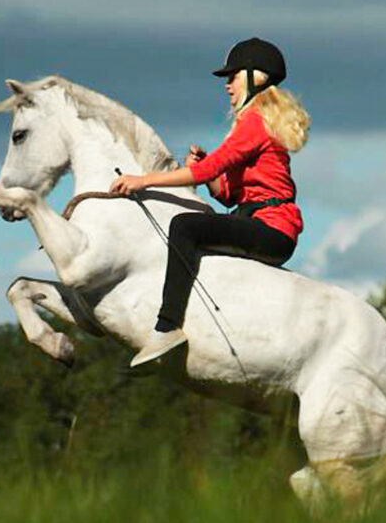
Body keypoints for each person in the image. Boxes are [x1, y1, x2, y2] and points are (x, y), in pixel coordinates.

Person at [109, 37, 311, 368]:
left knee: (184, 226)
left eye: (232, 78)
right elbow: (228, 194)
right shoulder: (254, 123)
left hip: (271, 228)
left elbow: (205, 172)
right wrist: (210, 174)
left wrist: (142, 180)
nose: (227, 86)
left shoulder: (256, 121)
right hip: (260, 223)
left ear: (253, 77)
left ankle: (168, 326)